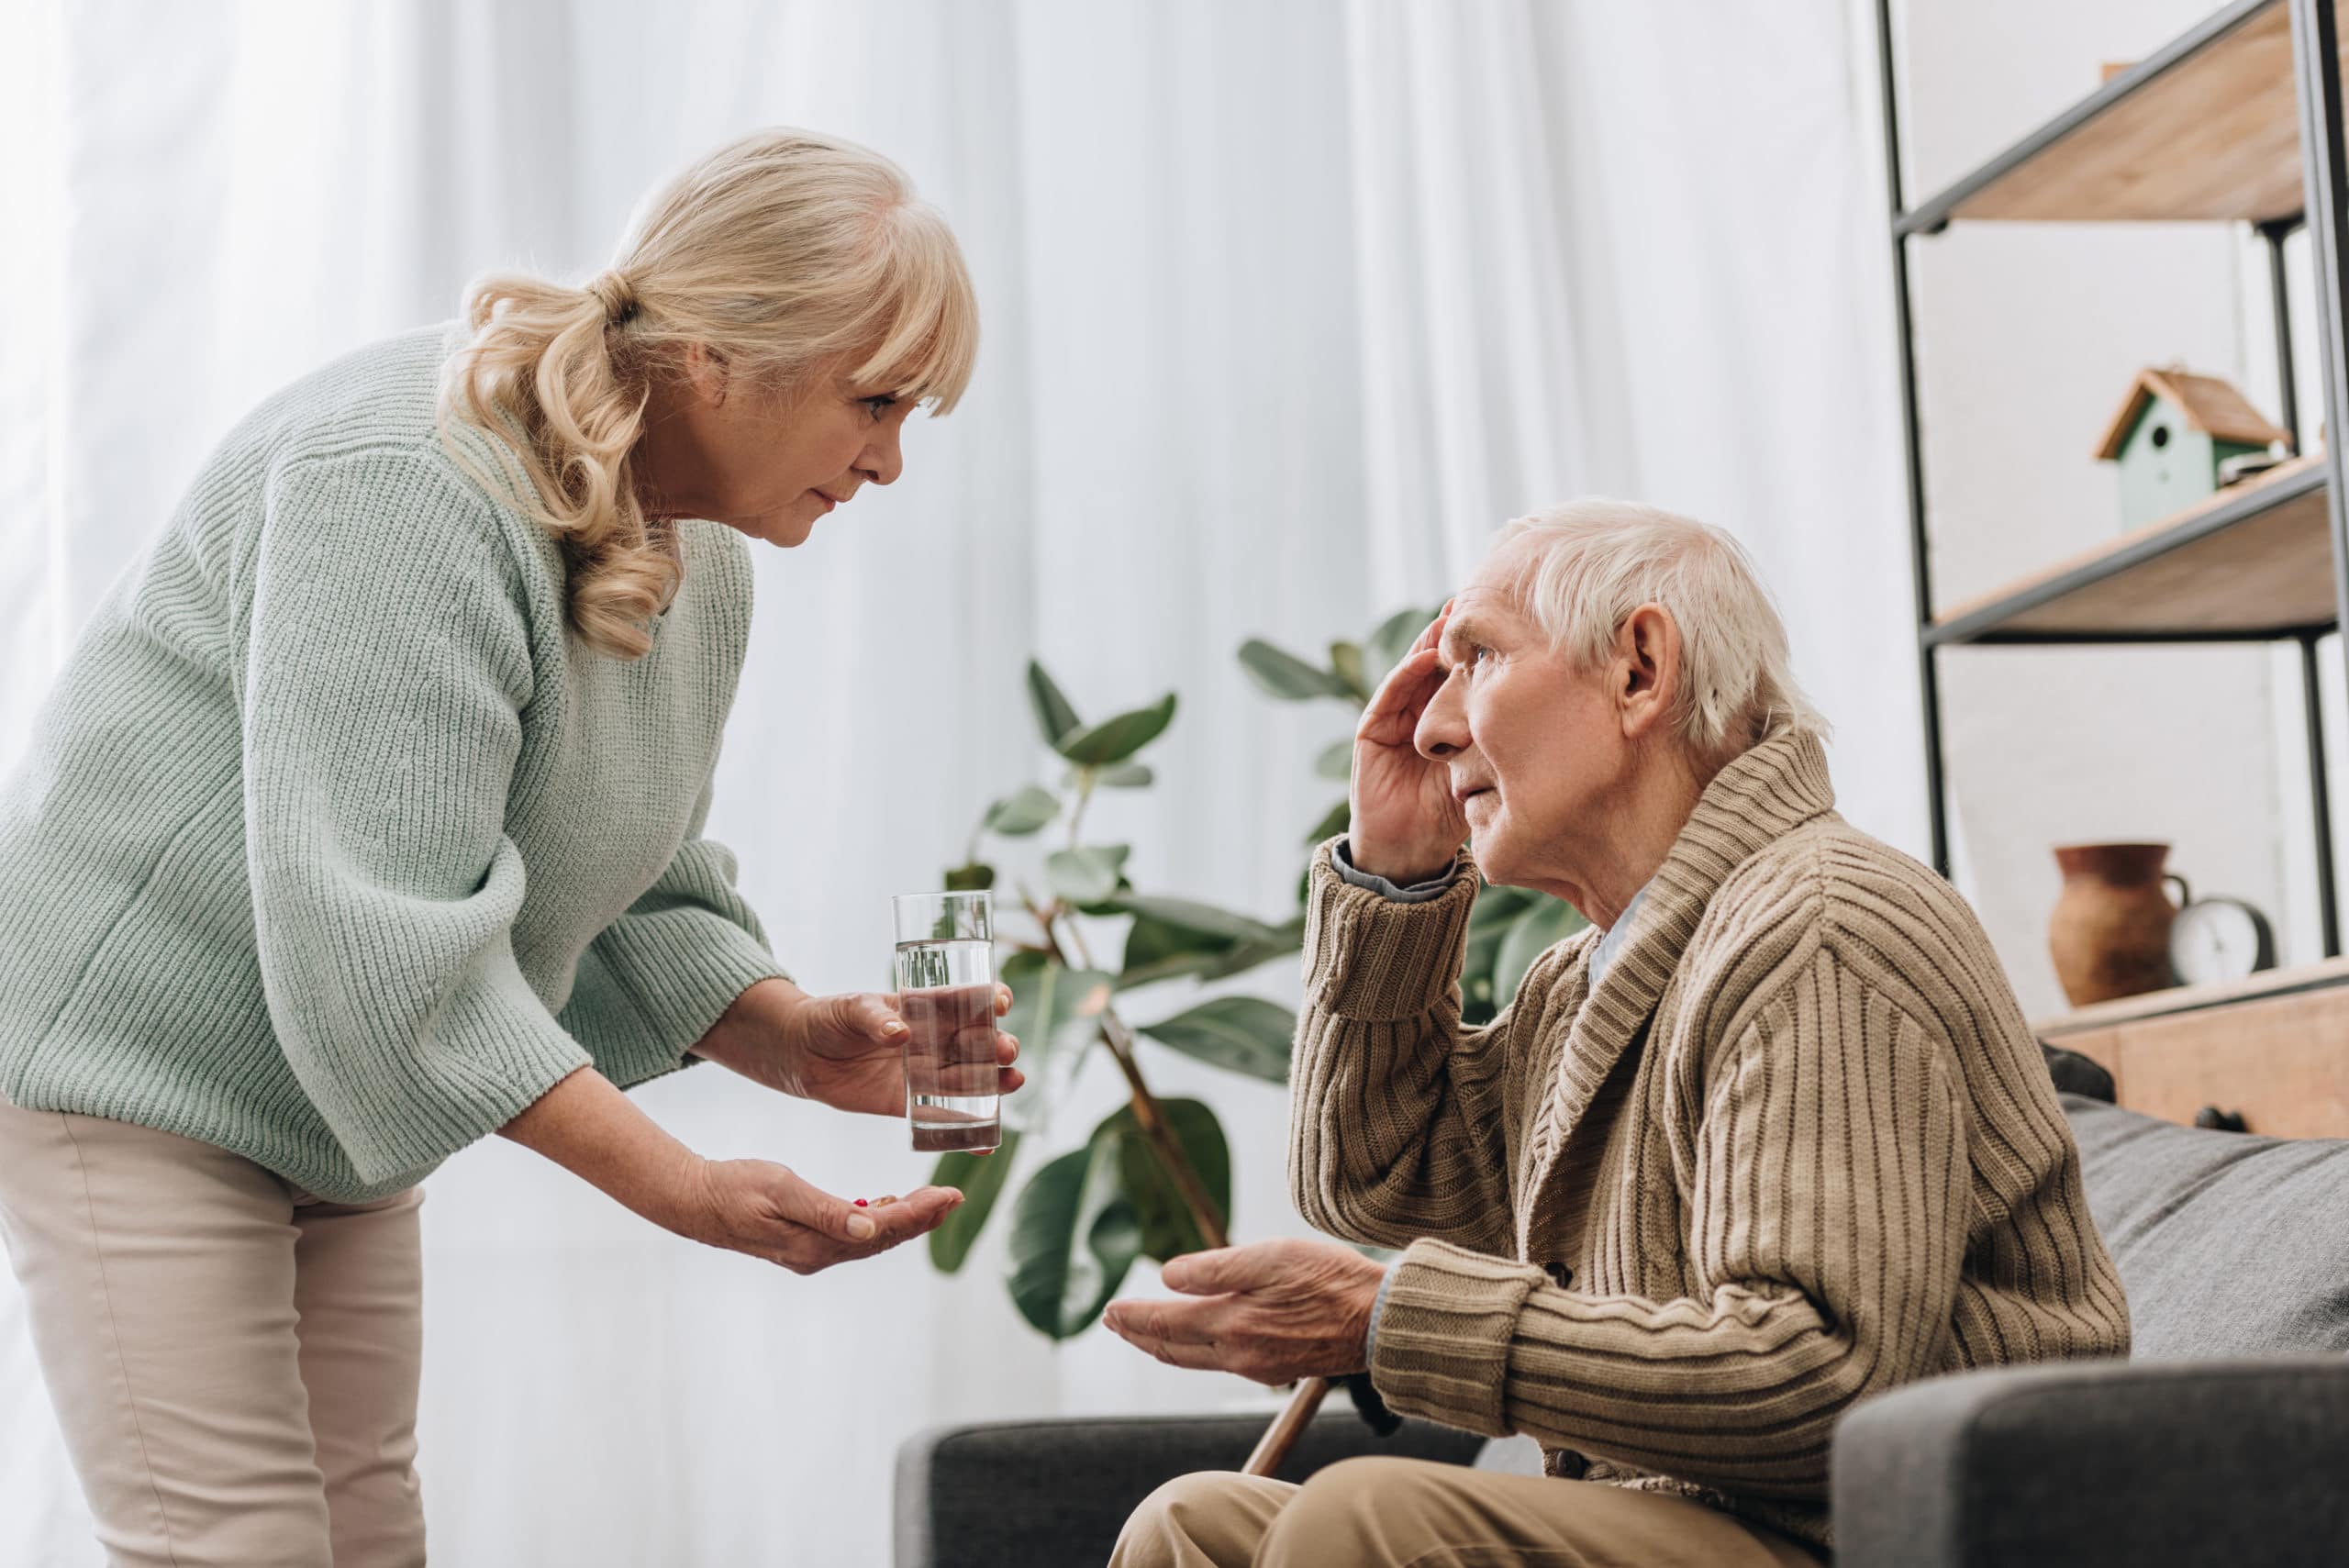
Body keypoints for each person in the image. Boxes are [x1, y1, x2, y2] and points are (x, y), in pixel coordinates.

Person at [0, 128, 1017, 1568]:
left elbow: (633, 869)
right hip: (135, 1070)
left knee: (367, 1540)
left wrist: (792, 1035)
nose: (891, 461)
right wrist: (686, 1187)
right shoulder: (408, 482)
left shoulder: (698, 544)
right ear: (722, 356)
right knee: (235, 1548)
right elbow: (386, 940)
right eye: (876, 400)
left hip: (329, 1096)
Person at [1103, 500, 2130, 1566]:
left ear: (1639, 669)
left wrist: (1388, 1320)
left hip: (1881, 1533)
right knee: (1193, 1524)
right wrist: (1394, 873)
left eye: (1480, 658)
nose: (1430, 724)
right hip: (1714, 1523)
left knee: (1358, 1518)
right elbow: (1370, 1173)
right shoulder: (1594, 976)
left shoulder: (1822, 927)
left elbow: (1818, 1372)